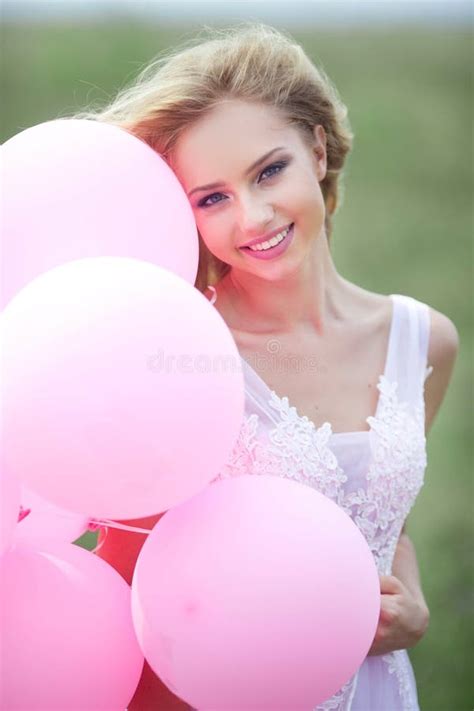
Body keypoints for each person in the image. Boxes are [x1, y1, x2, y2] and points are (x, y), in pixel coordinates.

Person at [76, 23, 459, 710]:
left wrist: (415, 602)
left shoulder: (424, 340)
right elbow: (126, 599)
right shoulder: (179, 360)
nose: (252, 216)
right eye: (212, 198)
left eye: (269, 170)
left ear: (316, 148)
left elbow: (381, 514)